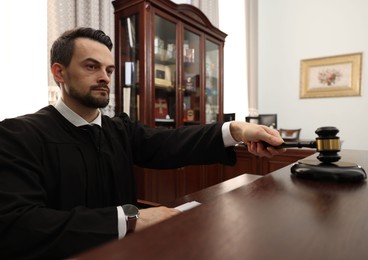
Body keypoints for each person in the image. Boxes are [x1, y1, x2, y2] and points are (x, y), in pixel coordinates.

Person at [0, 27, 285, 259]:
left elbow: (172, 142)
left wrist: (235, 130)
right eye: (91, 66)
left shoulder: (120, 130)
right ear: (59, 73)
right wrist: (130, 219)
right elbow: (17, 226)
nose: (104, 78)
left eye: (109, 70)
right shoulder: (18, 136)